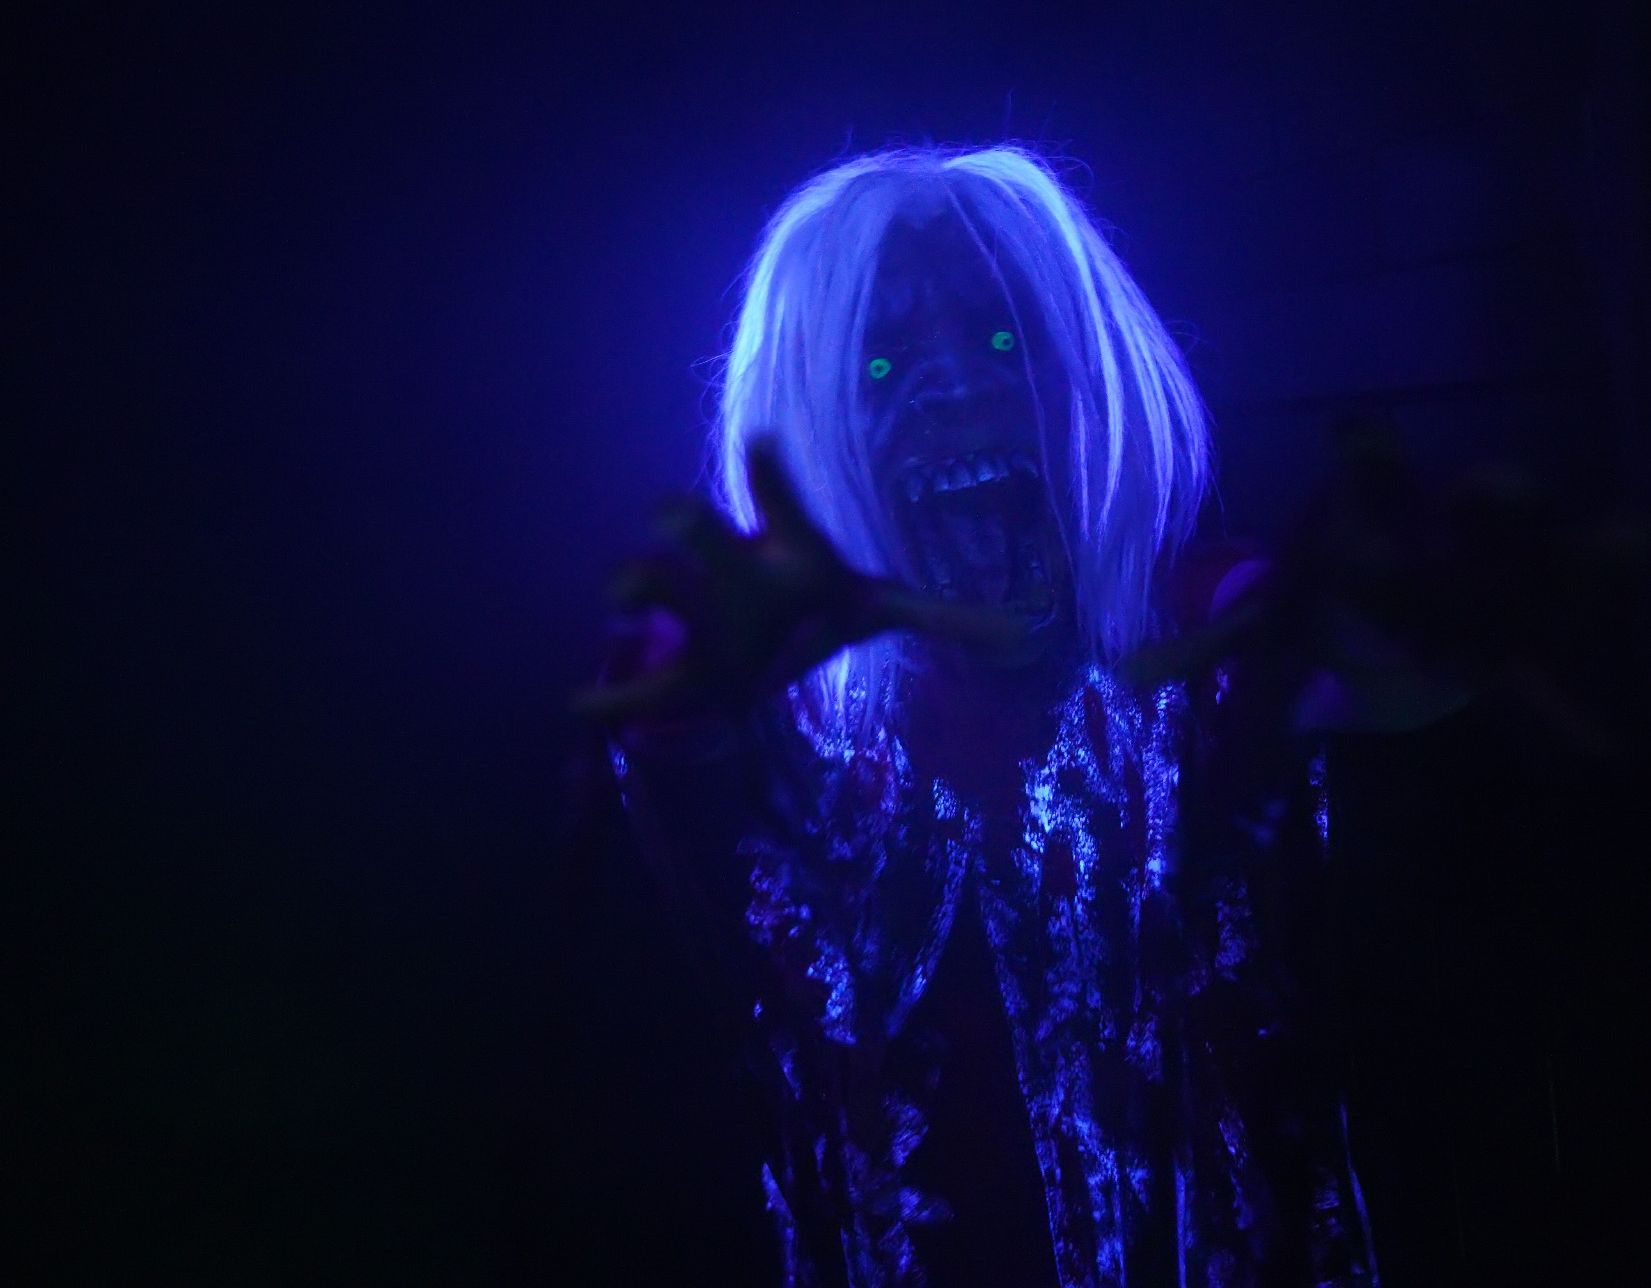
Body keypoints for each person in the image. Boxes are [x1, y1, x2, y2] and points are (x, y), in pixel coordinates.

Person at [587, 145, 1473, 1288]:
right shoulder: (797, 724)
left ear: (1079, 374)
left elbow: (1394, 669)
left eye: (1002, 341)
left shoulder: (1187, 619)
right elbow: (666, 716)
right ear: (813, 424)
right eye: (882, 361)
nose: (957, 387)